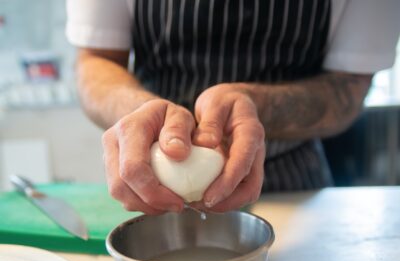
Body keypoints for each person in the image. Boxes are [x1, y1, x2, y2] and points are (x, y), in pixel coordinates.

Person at [66, 0, 400, 215]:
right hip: (155, 184)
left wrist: (257, 106)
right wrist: (140, 110)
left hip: (294, 184)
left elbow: (350, 88)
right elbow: (96, 61)